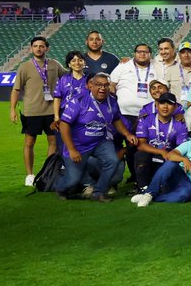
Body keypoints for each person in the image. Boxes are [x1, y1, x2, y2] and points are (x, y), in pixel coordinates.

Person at [56, 73, 136, 201]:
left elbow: (116, 119)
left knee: (113, 160)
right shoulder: (78, 100)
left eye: (106, 85)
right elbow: (64, 125)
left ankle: (99, 192)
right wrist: (71, 149)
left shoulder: (112, 101)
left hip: (100, 141)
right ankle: (60, 187)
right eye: (98, 85)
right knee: (72, 179)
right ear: (91, 86)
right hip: (78, 144)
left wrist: (127, 134)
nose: (102, 88)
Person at [11, 35, 64, 186]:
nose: (38, 49)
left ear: (47, 48)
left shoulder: (54, 64)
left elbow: (69, 75)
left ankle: (47, 173)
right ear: (31, 49)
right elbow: (16, 89)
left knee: (53, 142)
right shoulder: (25, 67)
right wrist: (12, 109)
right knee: (29, 142)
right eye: (35, 46)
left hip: (52, 111)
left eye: (41, 46)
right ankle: (29, 174)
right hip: (31, 111)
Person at [133, 92, 191, 191]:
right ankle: (143, 187)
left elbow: (182, 147)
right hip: (150, 153)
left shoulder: (179, 124)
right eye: (162, 103)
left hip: (168, 156)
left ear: (175, 107)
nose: (165, 106)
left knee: (165, 187)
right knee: (140, 156)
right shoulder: (146, 119)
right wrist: (161, 152)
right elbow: (141, 145)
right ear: (157, 105)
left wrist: (172, 155)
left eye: (169, 103)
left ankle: (162, 186)